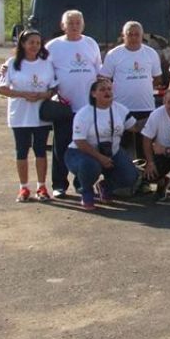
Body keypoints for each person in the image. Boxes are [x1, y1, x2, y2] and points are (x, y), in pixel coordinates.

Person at [46, 10, 102, 198]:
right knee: (61, 147)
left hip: (88, 108)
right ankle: (59, 184)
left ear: (83, 24)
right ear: (63, 26)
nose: (74, 25)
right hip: (64, 108)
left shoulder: (90, 43)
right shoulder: (53, 46)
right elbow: (46, 73)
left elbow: (98, 71)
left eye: (78, 22)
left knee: (86, 147)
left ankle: (82, 183)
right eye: (70, 23)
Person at [0, 30, 56, 202]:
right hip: (20, 116)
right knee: (22, 151)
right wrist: (23, 94)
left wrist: (42, 95)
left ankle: (41, 187)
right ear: (23, 44)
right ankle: (23, 188)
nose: (35, 46)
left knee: (40, 151)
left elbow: (53, 89)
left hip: (40, 115)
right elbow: (2, 89)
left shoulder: (46, 63)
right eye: (31, 42)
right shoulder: (12, 63)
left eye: (38, 43)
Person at [65, 80, 141, 211]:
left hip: (112, 152)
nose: (107, 92)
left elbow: (135, 127)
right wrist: (100, 158)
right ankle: (86, 192)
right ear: (93, 94)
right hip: (81, 153)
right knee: (90, 165)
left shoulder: (120, 109)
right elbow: (79, 141)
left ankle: (106, 186)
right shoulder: (84, 113)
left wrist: (160, 116)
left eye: (109, 89)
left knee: (131, 176)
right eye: (102, 89)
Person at [101, 21, 162, 160]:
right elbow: (104, 79)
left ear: (142, 36)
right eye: (130, 34)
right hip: (121, 108)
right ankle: (122, 177)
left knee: (145, 147)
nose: (134, 37)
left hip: (145, 106)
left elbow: (157, 79)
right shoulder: (114, 54)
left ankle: (145, 178)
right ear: (123, 36)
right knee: (122, 146)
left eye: (137, 34)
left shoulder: (151, 54)